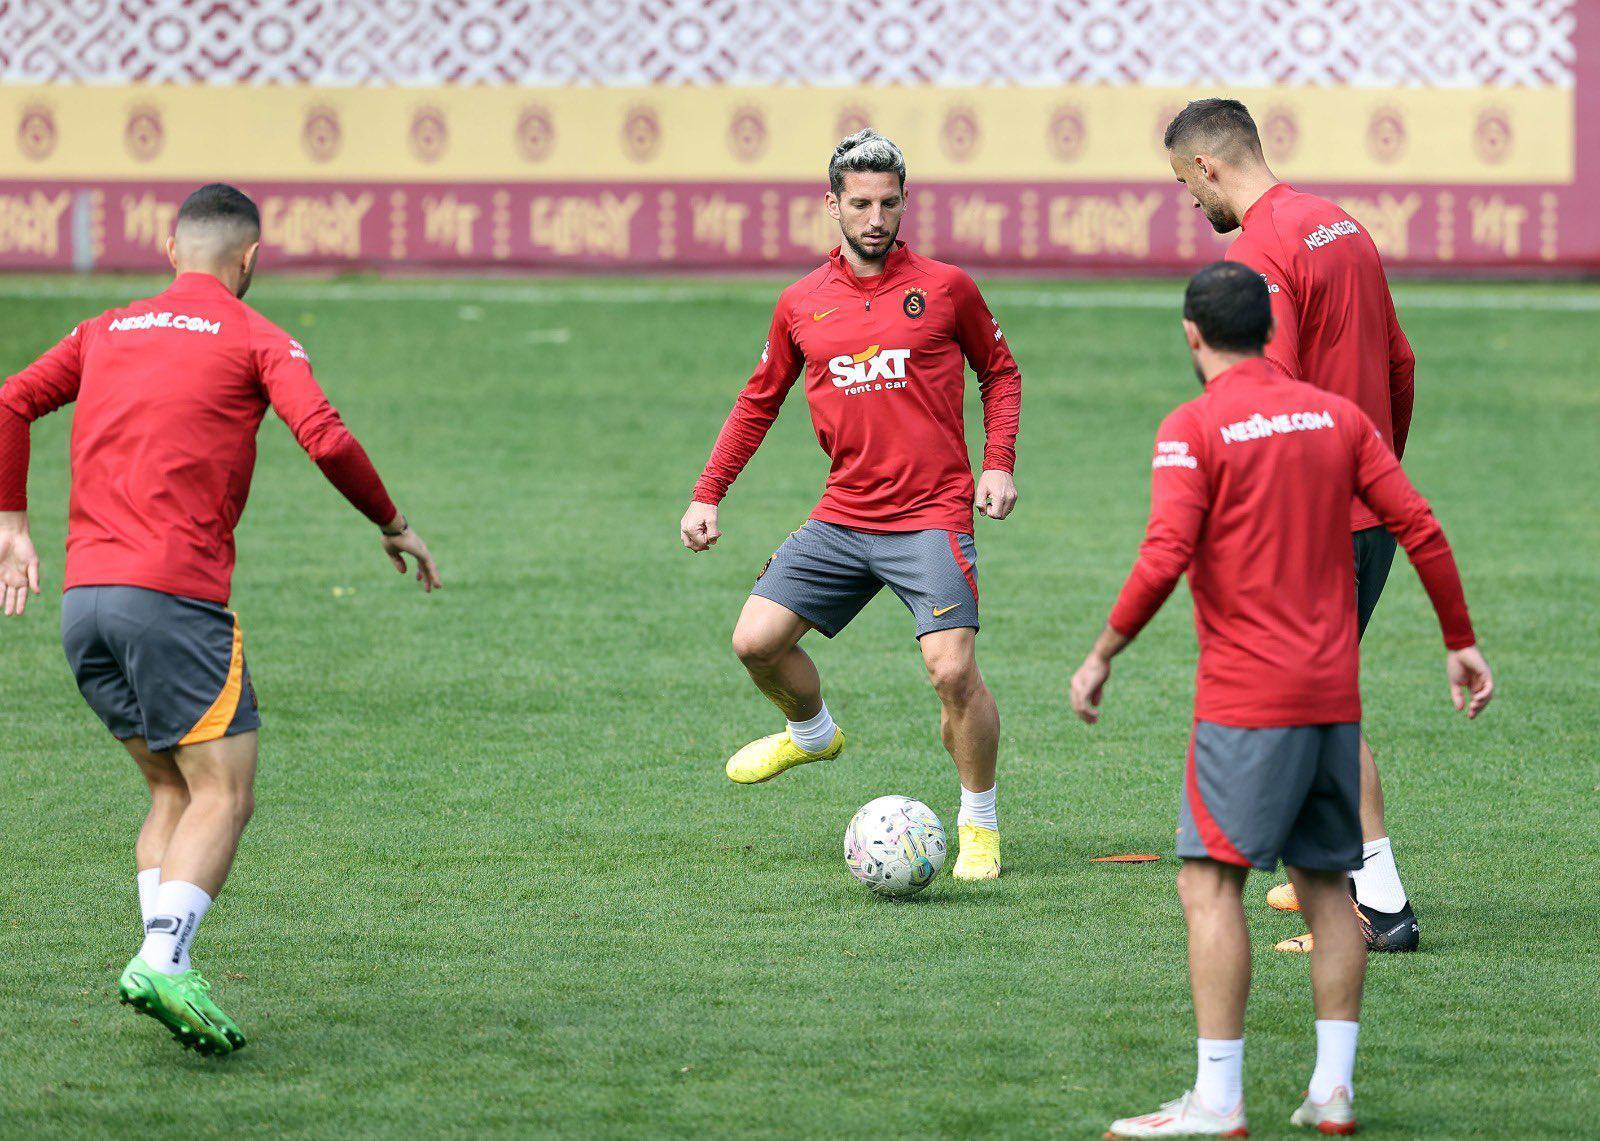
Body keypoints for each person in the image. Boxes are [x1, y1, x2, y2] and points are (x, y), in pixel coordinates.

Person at [0, 183, 441, 1056]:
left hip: (85, 606)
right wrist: (391, 520)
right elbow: (327, 437)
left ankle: (159, 958)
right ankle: (164, 959)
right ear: (251, 260)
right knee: (225, 793)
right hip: (174, 603)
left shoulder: (104, 329)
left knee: (171, 786)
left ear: (171, 251)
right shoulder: (256, 334)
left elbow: (10, 399)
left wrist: (11, 524)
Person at [1071, 263, 1492, 1137]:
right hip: (1333, 695)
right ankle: (1331, 1089)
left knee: (1209, 884)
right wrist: (1459, 641)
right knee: (1330, 889)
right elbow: (1418, 524)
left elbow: (1164, 554)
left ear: (1193, 335)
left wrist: (1104, 652)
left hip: (1246, 700)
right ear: (1270, 328)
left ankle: (1219, 1100)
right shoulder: (1336, 417)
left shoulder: (1193, 427)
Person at [680, 129, 1022, 880]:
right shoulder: (802, 302)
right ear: (831, 205)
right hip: (842, 515)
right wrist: (708, 493)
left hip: (931, 514)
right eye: (860, 203)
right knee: (755, 642)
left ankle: (980, 822)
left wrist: (997, 464)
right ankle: (810, 732)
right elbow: (757, 401)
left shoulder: (946, 287)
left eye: (889, 203)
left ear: (904, 203)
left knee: (951, 672)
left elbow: (999, 371)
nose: (876, 217)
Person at [1165, 98, 1423, 952]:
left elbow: (1262, 401)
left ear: (1207, 166)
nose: (1190, 204)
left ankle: (1380, 907)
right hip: (1368, 505)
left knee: (1320, 709)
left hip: (1314, 520)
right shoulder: (1340, 224)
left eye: (1183, 183)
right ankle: (1343, 878)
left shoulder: (1261, 249)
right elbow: (1399, 360)